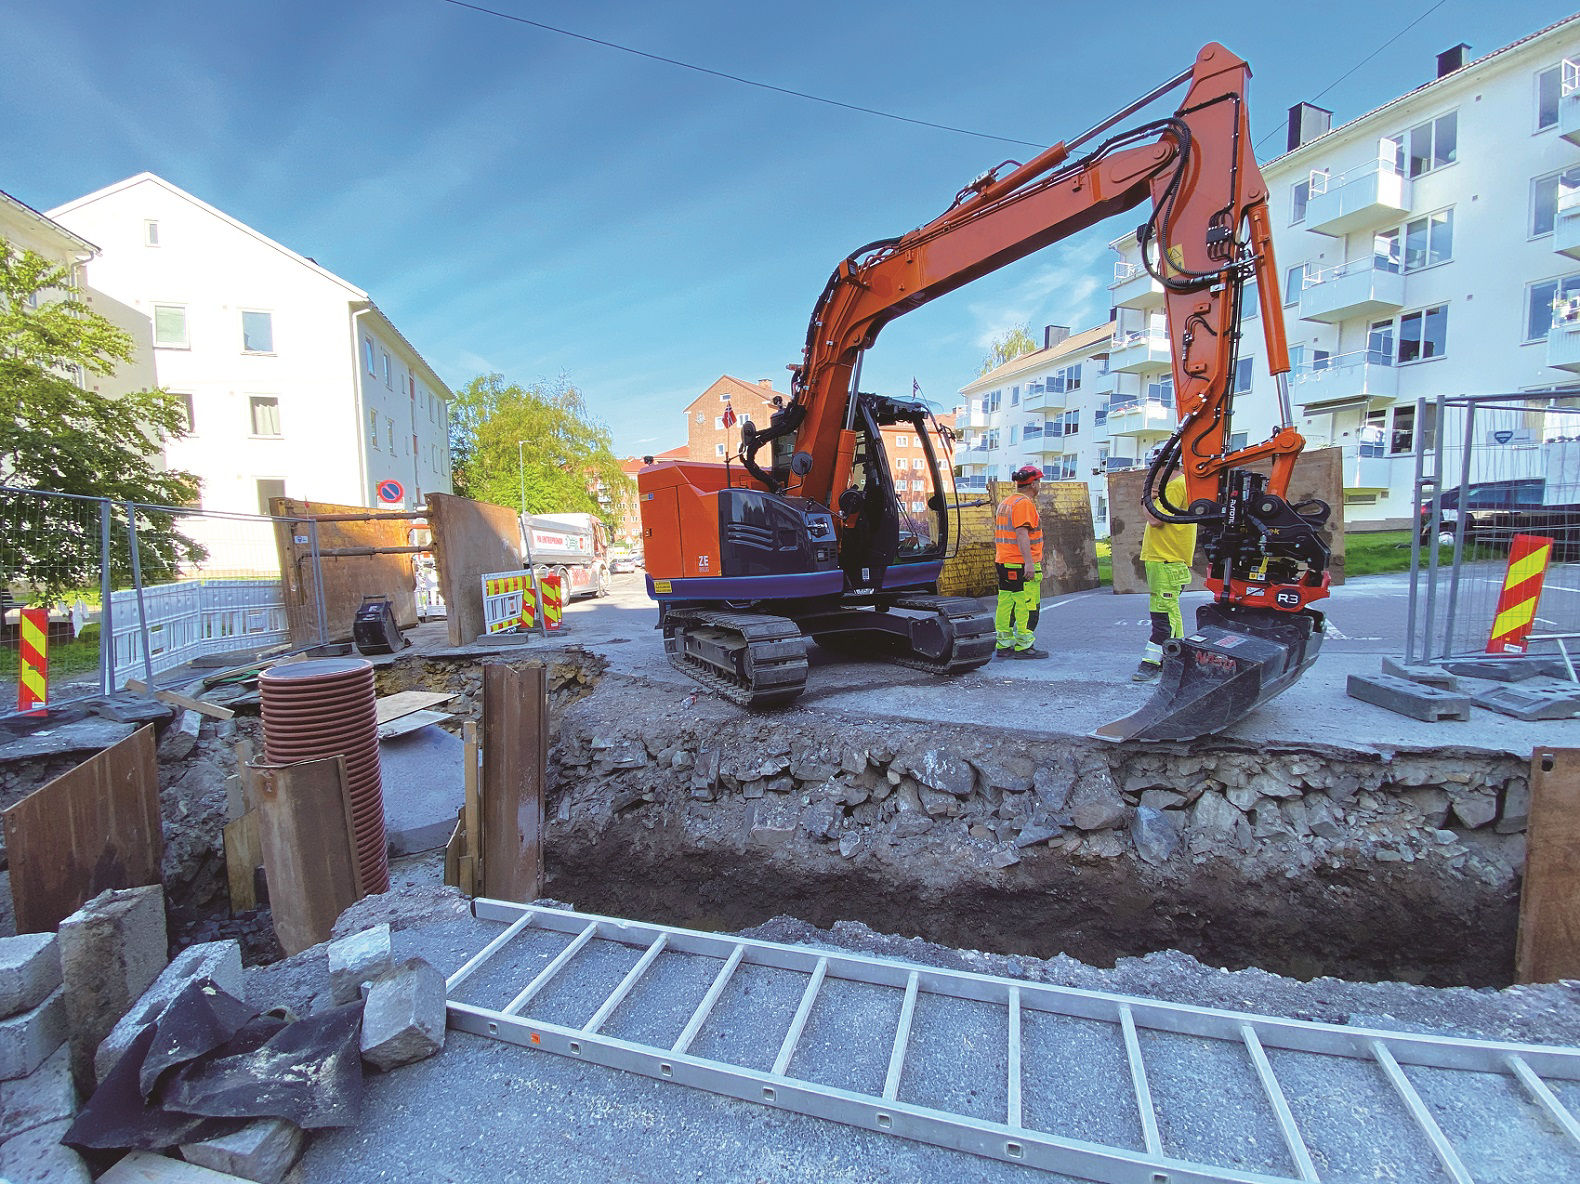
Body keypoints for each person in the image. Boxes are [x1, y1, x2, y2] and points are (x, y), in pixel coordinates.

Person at [1134, 469, 1198, 681]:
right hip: (1166, 559)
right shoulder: (1181, 486)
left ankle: (1152, 662)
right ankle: (1175, 657)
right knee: (1169, 612)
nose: (1150, 472)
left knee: (1164, 614)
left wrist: (1145, 501)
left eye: (1154, 466)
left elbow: (1155, 519)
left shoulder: (1174, 486)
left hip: (1166, 559)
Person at [994, 465, 1047, 659]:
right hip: (1020, 564)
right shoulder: (1024, 504)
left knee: (1006, 604)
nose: (1039, 485)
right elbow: (1022, 534)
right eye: (1039, 482)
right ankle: (1024, 646)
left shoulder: (1007, 502)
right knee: (1027, 604)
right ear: (1033, 483)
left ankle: (1004, 644)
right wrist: (1029, 563)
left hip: (1004, 562)